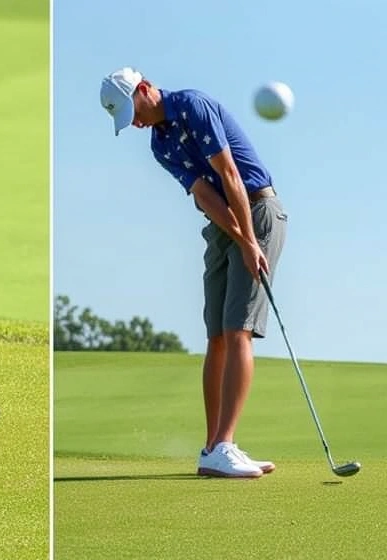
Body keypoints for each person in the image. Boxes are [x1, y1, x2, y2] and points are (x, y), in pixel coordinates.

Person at [99, 67, 288, 478]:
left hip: (256, 208)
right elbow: (204, 196)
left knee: (238, 328)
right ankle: (213, 449)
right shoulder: (159, 145)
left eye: (133, 111)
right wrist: (239, 239)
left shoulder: (193, 105)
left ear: (145, 89)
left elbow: (231, 176)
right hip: (225, 225)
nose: (134, 123)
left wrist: (251, 240)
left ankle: (226, 442)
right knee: (217, 336)